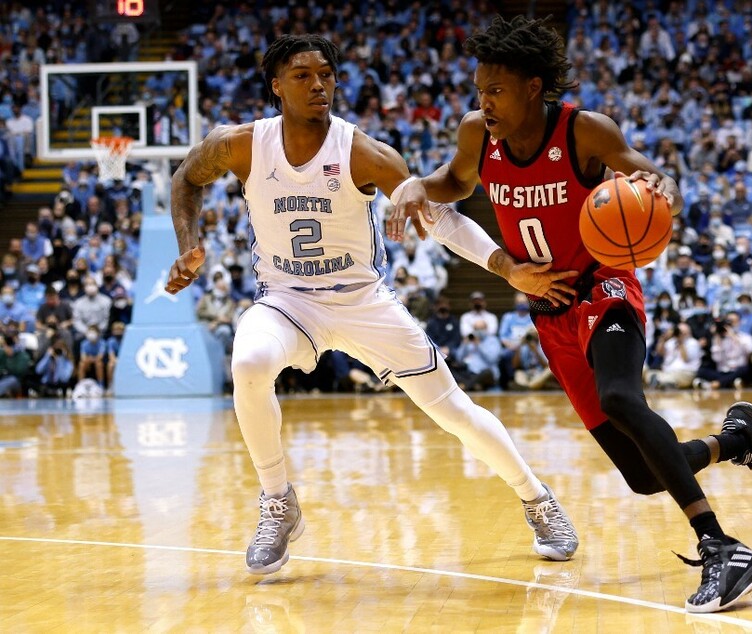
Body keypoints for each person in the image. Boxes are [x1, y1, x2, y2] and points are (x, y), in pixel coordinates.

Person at [391, 16, 752, 614]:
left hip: (604, 286)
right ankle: (738, 439)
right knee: (641, 475)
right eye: (479, 90)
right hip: (548, 309)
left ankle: (720, 546)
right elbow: (455, 182)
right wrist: (417, 186)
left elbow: (654, 177)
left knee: (621, 399)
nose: (485, 102)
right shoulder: (478, 134)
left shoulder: (583, 131)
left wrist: (659, 193)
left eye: (497, 90)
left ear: (534, 86)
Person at [163, 34, 578, 577]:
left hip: (363, 301)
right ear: (276, 86)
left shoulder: (363, 152)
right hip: (287, 300)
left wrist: (507, 267)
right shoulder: (240, 144)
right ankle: (277, 502)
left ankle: (537, 498)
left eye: (327, 75)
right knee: (248, 363)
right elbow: (185, 179)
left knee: (454, 412)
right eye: (303, 75)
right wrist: (187, 242)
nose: (318, 85)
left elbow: (441, 217)